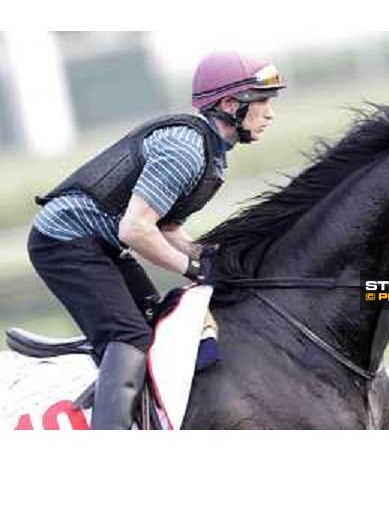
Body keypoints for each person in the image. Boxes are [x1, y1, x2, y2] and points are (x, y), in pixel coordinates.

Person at [27, 50, 286, 429]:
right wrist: (193, 268)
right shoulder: (186, 150)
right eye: (262, 101)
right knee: (130, 336)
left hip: (99, 241)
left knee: (157, 319)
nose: (270, 113)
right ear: (230, 104)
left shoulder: (211, 153)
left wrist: (210, 256)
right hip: (64, 241)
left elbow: (165, 228)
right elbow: (135, 230)